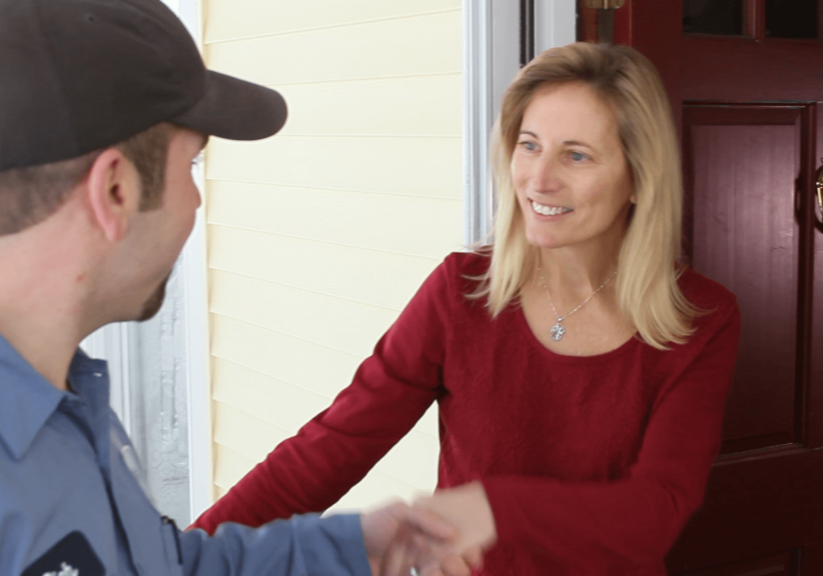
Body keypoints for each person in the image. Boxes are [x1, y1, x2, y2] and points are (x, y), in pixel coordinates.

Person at [191, 42, 742, 575]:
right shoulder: (461, 291)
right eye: (529, 145)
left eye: (576, 155)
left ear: (639, 178)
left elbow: (656, 512)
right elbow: (333, 446)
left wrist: (493, 508)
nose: (538, 179)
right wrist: (181, 555)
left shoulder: (702, 319)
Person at [0, 1, 482, 575]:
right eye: (193, 169)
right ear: (116, 191)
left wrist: (353, 550)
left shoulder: (71, 398)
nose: (197, 203)